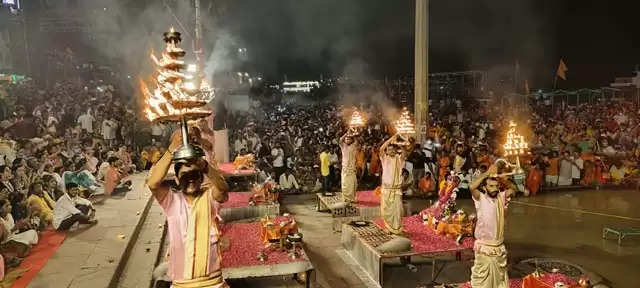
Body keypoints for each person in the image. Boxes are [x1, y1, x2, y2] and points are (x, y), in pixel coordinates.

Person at [147, 130, 229, 288]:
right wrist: (172, 148)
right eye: (184, 175)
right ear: (177, 179)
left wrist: (204, 166)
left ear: (201, 178)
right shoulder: (172, 201)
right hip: (182, 283)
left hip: (213, 283)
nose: (190, 179)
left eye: (194, 175)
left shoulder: (209, 197)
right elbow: (152, 183)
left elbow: (223, 189)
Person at [469, 164, 514, 288]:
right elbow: (471, 186)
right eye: (491, 186)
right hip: (485, 246)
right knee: (483, 280)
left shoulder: (501, 197)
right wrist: (488, 173)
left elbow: (514, 189)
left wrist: (503, 179)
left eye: (496, 186)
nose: (494, 189)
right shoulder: (480, 198)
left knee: (500, 279)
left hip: (499, 246)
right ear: (484, 187)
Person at [379, 134, 411, 235]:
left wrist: (399, 144)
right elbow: (381, 149)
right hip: (386, 189)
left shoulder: (399, 159)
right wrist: (391, 139)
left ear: (396, 151)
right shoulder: (384, 158)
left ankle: (396, 228)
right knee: (386, 210)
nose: (391, 151)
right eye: (389, 150)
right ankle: (388, 227)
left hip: (396, 190)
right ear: (387, 151)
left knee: (397, 211)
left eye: (393, 150)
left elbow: (405, 153)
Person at [340, 130, 360, 204]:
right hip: (345, 169)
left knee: (353, 185)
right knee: (345, 185)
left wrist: (353, 134)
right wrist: (346, 133)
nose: (347, 140)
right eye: (346, 139)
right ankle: (345, 198)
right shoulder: (343, 146)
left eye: (349, 139)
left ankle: (352, 199)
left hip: (352, 169)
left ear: (351, 140)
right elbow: (340, 140)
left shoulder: (353, 146)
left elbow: (356, 141)